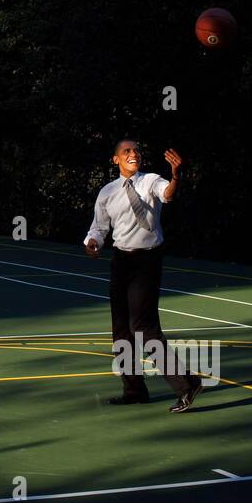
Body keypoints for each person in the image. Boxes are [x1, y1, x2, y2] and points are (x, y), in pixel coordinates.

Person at [85, 139, 203, 412]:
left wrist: (175, 175)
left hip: (147, 260)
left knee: (143, 327)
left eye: (136, 150)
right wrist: (92, 243)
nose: (133, 154)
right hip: (121, 261)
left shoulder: (150, 180)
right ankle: (134, 390)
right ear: (115, 159)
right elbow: (99, 228)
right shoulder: (107, 192)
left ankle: (187, 384)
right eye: (126, 151)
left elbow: (169, 194)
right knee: (122, 331)